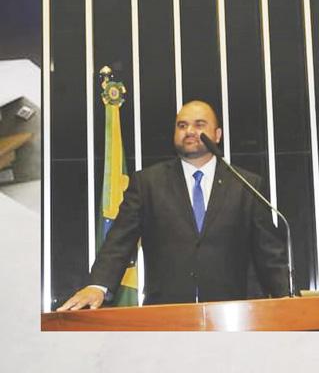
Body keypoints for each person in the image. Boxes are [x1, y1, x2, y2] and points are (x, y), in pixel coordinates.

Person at [58, 101, 289, 310]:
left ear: (217, 135)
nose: (189, 131)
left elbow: (269, 253)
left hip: (232, 313)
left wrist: (286, 298)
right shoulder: (148, 183)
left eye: (199, 125)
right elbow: (119, 240)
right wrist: (97, 285)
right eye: (182, 125)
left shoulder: (246, 185)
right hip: (166, 313)